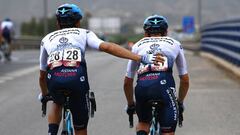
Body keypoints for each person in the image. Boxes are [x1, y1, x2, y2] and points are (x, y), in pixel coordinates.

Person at [38, 4, 164, 135]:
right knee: (80, 128)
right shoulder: (84, 33)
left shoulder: (46, 39)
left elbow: (42, 75)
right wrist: (140, 57)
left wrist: (44, 94)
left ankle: (51, 132)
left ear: (58, 22)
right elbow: (107, 47)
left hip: (54, 80)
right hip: (76, 80)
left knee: (56, 100)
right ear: (78, 22)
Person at [124, 15, 189, 135]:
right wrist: (179, 102)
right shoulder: (175, 43)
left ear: (145, 32)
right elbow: (184, 79)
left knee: (143, 123)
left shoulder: (137, 45)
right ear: (166, 31)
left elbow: (128, 81)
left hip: (142, 89)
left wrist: (130, 104)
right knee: (168, 131)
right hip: (165, 88)